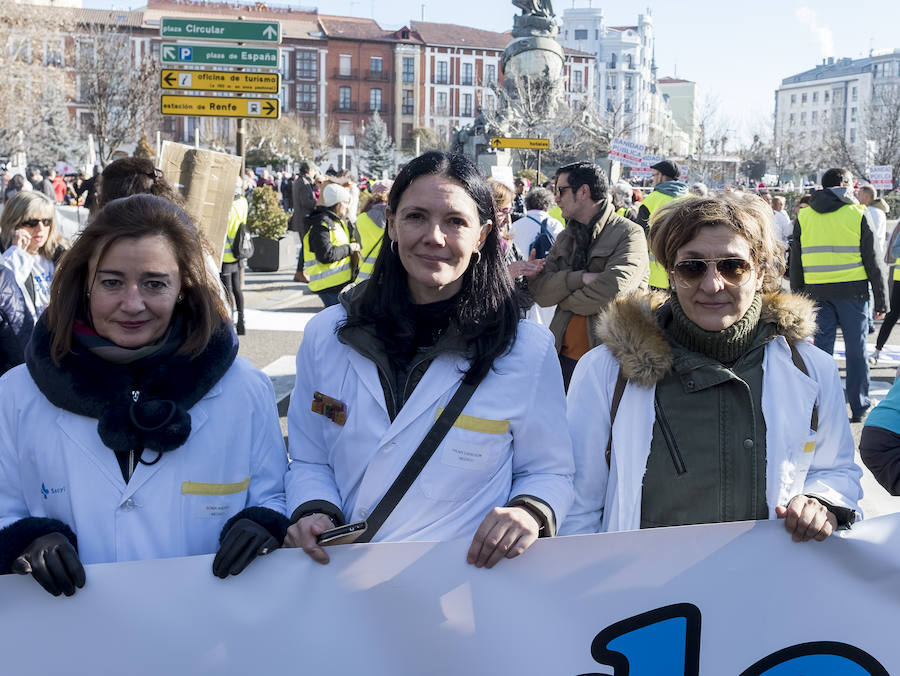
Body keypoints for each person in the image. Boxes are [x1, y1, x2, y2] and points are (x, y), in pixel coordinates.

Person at [283, 151, 574, 568]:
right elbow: (309, 457)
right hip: (341, 586)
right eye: (416, 216)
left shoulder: (526, 349)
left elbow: (551, 472)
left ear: (483, 235)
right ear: (392, 225)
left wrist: (530, 511)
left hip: (461, 590)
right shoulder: (327, 335)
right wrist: (315, 510)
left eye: (455, 221)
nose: (434, 237)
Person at [0, 194, 288, 597]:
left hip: (208, 634)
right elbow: (3, 504)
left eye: (154, 283)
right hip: (66, 636)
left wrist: (265, 523)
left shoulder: (243, 389)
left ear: (183, 288)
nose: (132, 304)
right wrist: (23, 539)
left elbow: (275, 493)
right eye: (112, 282)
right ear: (86, 284)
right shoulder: (18, 393)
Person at [562, 194, 863, 542]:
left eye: (733, 267)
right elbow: (579, 506)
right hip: (644, 591)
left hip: (769, 587)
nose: (712, 285)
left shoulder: (812, 369)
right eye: (692, 267)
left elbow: (837, 469)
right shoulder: (604, 371)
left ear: (760, 272)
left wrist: (820, 501)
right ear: (671, 274)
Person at [529, 161, 649, 390]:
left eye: (561, 190)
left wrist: (563, 296)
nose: (556, 198)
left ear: (583, 191)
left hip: (609, 362)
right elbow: (541, 292)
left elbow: (612, 291)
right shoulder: (566, 237)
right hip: (560, 359)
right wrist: (580, 279)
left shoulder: (628, 233)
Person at [789, 168, 887, 423]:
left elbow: (796, 263)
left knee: (821, 353)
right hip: (853, 292)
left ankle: (821, 407)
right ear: (843, 185)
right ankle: (859, 406)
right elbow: (873, 261)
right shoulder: (857, 213)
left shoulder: (805, 216)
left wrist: (798, 298)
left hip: (816, 293)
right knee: (856, 351)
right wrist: (881, 298)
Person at [0, 191, 68, 374]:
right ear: (14, 222)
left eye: (46, 221)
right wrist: (16, 253)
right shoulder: (7, 258)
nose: (40, 229)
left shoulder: (61, 256)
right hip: (20, 355)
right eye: (31, 222)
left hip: (59, 347)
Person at [303, 182, 360, 307]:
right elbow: (325, 255)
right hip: (329, 287)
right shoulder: (321, 225)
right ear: (338, 204)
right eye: (345, 202)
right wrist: (349, 248)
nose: (348, 207)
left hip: (337, 285)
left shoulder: (336, 222)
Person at [636, 159, 690, 290]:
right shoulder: (692, 200)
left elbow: (639, 239)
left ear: (660, 176)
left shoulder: (650, 201)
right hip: (687, 274)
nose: (653, 179)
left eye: (654, 175)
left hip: (654, 276)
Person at [221, 178, 250, 335]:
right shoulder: (243, 202)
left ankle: (230, 322)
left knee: (227, 290)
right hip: (238, 250)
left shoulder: (227, 205)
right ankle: (241, 321)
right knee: (237, 289)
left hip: (226, 254)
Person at [355, 180, 392, 282]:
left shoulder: (361, 218)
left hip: (365, 277)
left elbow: (359, 242)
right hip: (390, 277)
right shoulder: (396, 217)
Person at [292, 162, 318, 283]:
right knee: (305, 246)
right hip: (304, 218)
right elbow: (306, 202)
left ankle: (301, 271)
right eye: (313, 170)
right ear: (308, 170)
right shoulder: (303, 182)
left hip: (301, 218)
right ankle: (299, 271)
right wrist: (318, 203)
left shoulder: (300, 181)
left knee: (305, 245)